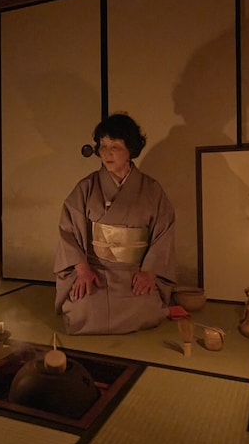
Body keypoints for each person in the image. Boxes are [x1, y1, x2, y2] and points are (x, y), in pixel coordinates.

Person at [54, 113, 177, 334]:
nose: (106, 153)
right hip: (95, 271)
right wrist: (82, 270)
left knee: (147, 308)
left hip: (134, 272)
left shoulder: (152, 189)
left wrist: (149, 272)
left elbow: (164, 233)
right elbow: (68, 230)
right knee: (84, 310)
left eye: (115, 147)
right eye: (102, 146)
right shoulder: (86, 187)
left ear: (131, 149)